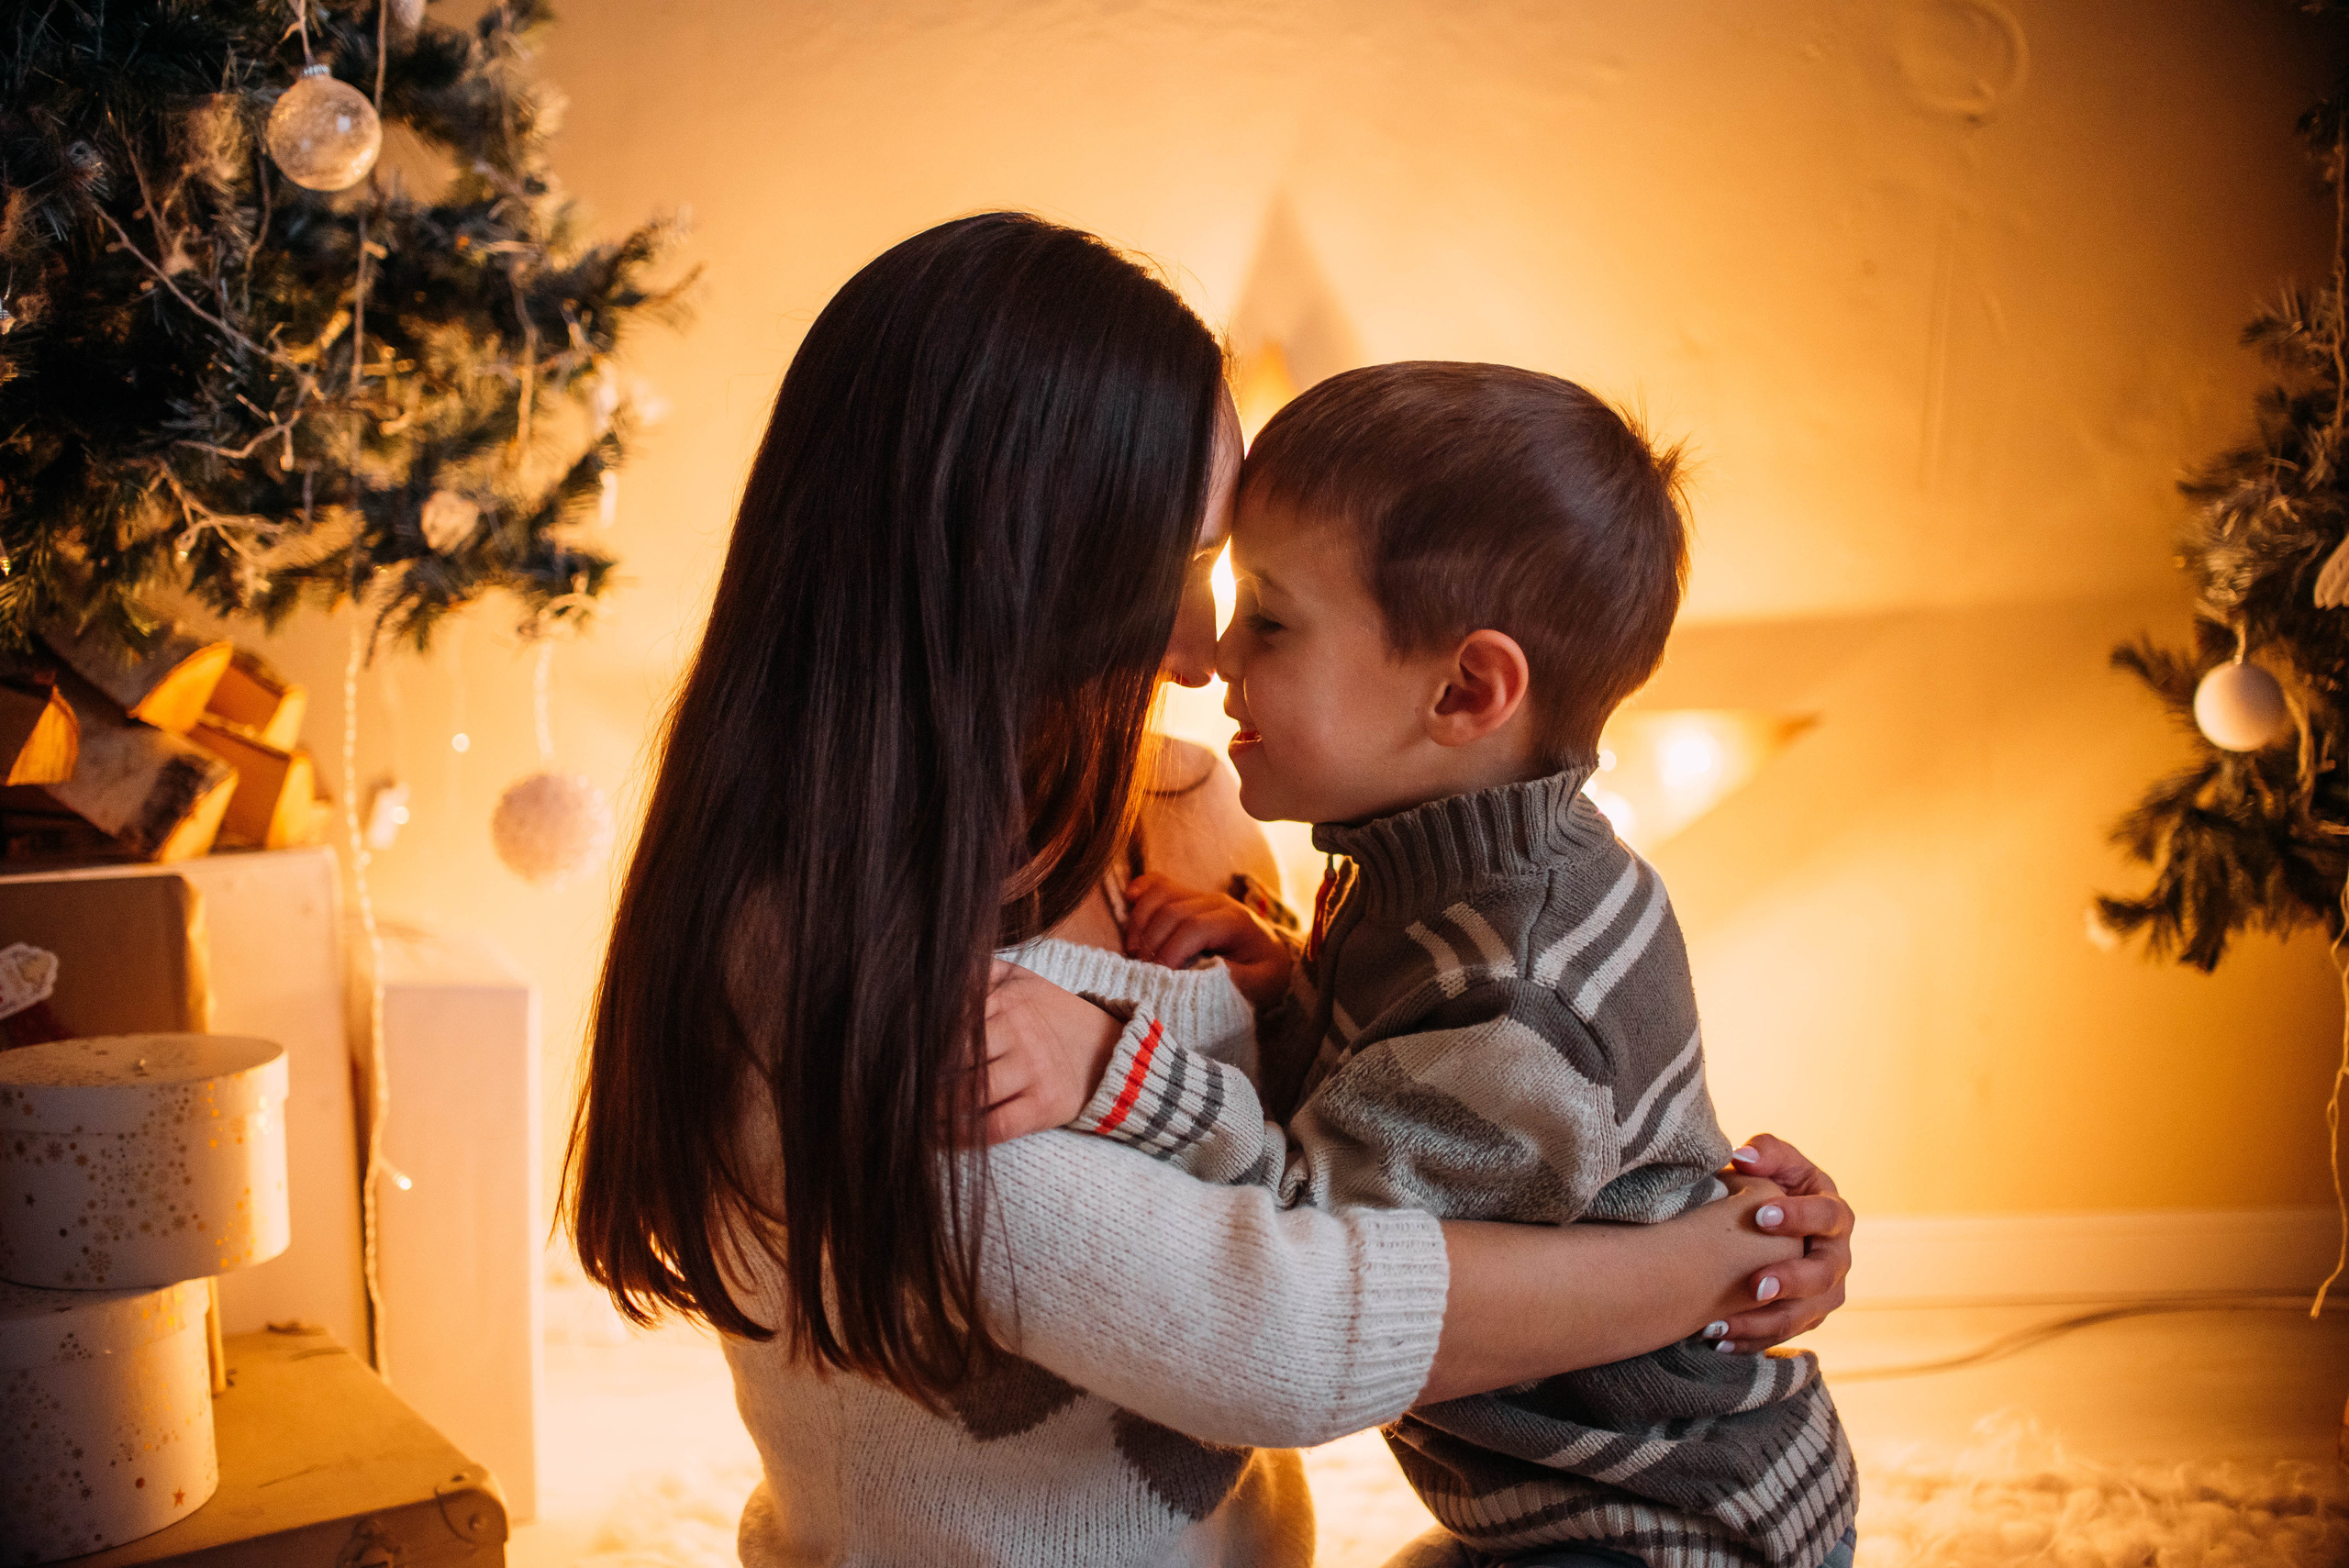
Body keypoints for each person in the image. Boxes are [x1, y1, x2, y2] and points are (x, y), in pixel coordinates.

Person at [565, 213, 1860, 1568]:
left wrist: (1715, 1214)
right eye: (1187, 572)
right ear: (1015, 570)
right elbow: (1285, 1326)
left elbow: (1380, 1131)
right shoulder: (855, 984)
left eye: (1250, 595)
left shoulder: (1181, 807)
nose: (1205, 651)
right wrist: (1710, 1263)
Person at [1030, 362, 1855, 1568]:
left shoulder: (1515, 983)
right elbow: (1396, 1083)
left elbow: (1312, 1252)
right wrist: (1287, 980)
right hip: (1567, 1502)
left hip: (1660, 1529)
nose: (1216, 657)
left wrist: (1110, 1063)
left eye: (1269, 612)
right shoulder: (1430, 874)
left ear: (1466, 689)